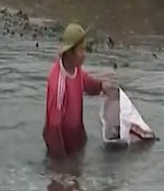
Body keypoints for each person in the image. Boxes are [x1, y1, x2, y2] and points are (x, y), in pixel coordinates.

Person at [43, 23, 116, 159]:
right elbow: (52, 128)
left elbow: (84, 81)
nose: (84, 55)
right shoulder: (59, 83)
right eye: (81, 51)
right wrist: (61, 167)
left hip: (77, 139)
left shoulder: (75, 68)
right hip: (63, 148)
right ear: (70, 52)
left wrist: (101, 87)